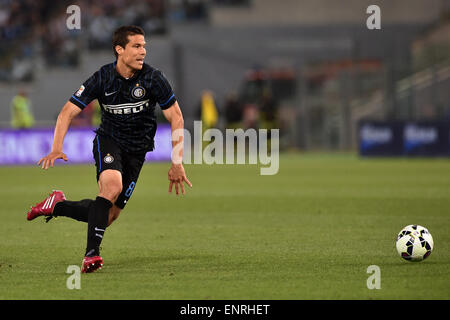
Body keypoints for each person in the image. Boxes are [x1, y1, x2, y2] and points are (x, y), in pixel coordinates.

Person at [26, 25, 192, 273]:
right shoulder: (102, 78)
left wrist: (177, 162)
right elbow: (67, 112)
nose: (143, 51)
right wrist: (56, 148)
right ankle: (91, 255)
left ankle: (56, 205)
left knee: (108, 216)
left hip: (137, 152)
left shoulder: (153, 78)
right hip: (109, 141)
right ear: (119, 50)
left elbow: (176, 117)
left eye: (144, 46)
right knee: (111, 187)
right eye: (136, 46)